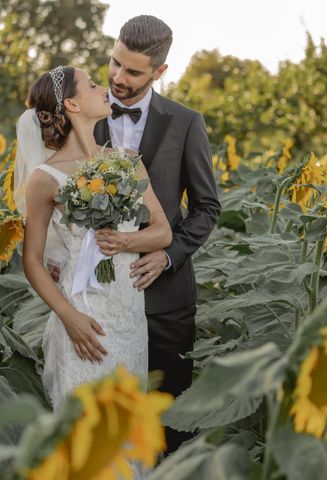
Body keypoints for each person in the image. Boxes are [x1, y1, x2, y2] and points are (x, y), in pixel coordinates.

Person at [18, 65, 173, 477]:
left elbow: (162, 231)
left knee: (127, 431)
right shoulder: (44, 179)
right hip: (82, 315)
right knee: (84, 437)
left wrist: (125, 241)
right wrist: (69, 319)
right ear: (71, 104)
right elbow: (31, 261)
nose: (104, 88)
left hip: (129, 316)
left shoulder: (126, 163)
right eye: (92, 85)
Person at [93, 15, 221, 455]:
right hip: (97, 295)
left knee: (171, 424)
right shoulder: (82, 110)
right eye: (114, 63)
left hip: (166, 300)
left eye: (132, 71)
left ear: (160, 72)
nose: (116, 77)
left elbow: (207, 208)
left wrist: (168, 256)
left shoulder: (186, 123)